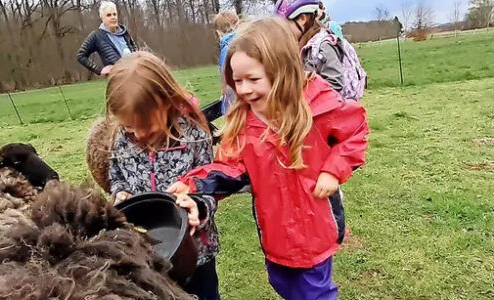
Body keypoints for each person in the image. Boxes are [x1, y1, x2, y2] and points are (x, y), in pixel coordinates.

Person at [167, 17, 369, 300]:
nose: (245, 89)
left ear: (281, 70)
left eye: (253, 79)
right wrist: (192, 185)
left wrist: (333, 171)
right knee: (283, 283)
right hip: (276, 232)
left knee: (315, 291)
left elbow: (355, 131)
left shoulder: (317, 104)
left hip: (315, 226)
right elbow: (229, 168)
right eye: (237, 81)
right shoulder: (244, 121)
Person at [104, 51, 222, 300]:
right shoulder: (121, 141)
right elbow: (115, 175)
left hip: (194, 251)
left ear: (166, 102)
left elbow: (211, 186)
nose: (137, 133)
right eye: (128, 126)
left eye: (145, 125)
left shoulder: (194, 136)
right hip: (146, 253)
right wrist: (120, 192)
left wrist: (197, 207)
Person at [274, 0, 344, 92]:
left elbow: (335, 84)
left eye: (284, 25)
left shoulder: (323, 46)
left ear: (302, 19)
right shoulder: (302, 45)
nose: (282, 31)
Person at [77, 1, 137, 77]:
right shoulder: (96, 36)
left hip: (135, 74)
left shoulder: (124, 32)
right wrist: (99, 70)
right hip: (118, 79)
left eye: (114, 14)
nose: (113, 17)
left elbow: (134, 49)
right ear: (102, 18)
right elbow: (81, 56)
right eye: (108, 15)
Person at [213, 11, 239, 115]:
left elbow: (226, 78)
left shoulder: (227, 49)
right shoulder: (246, 42)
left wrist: (225, 97)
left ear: (219, 32)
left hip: (234, 104)